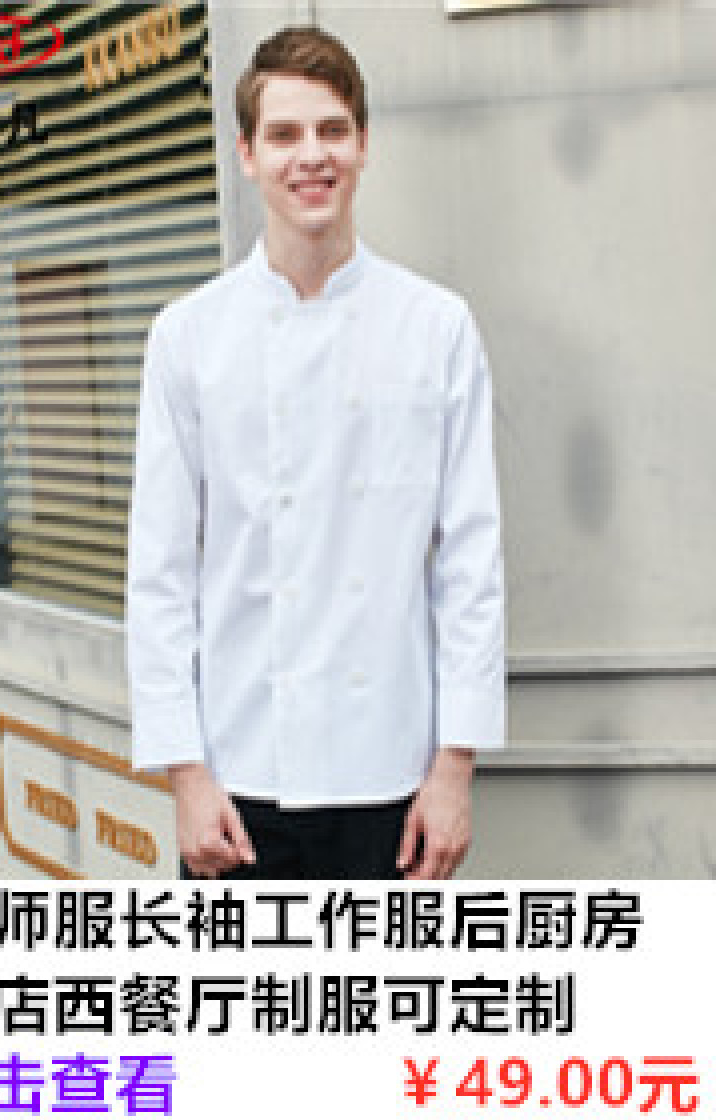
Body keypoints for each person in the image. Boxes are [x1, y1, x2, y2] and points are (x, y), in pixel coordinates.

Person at [126, 25, 505, 880]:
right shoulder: (188, 336)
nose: (312, 156)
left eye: (332, 130)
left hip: (394, 775)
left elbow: (470, 564)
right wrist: (185, 773)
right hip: (237, 777)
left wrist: (455, 768)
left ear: (364, 145)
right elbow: (159, 575)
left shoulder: (436, 327)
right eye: (285, 134)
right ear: (247, 155)